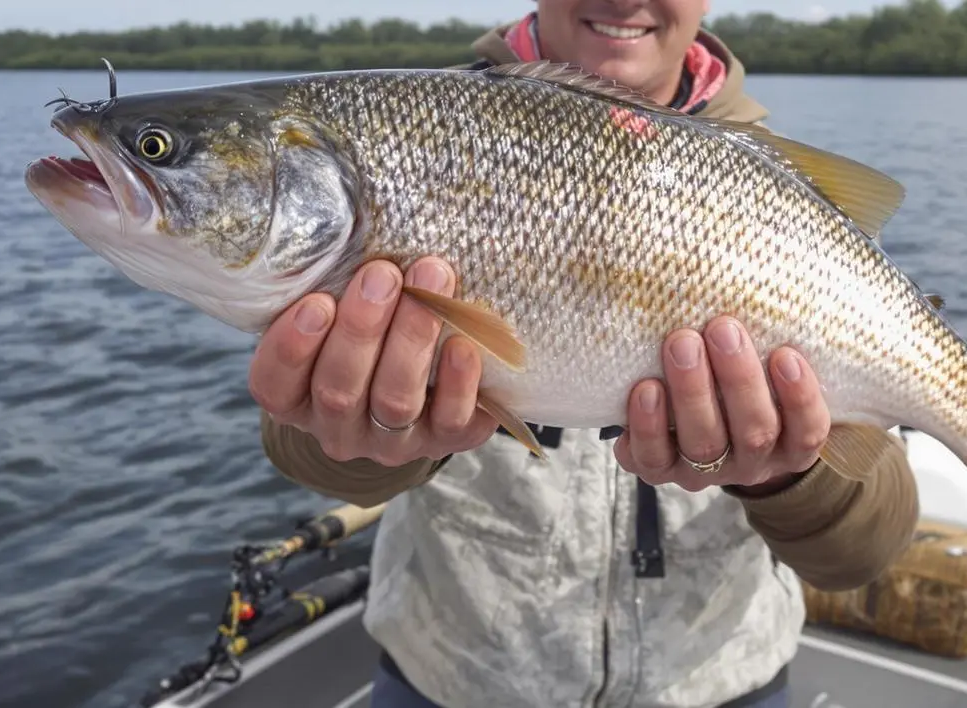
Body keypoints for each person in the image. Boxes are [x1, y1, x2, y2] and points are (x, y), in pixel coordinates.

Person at [249, 2, 921, 706]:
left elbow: (867, 551)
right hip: (452, 682)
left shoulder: (787, 201)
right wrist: (359, 429)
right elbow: (301, 448)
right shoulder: (411, 131)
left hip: (723, 686)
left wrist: (784, 473)